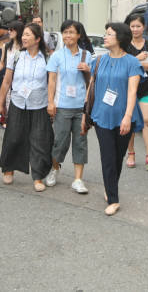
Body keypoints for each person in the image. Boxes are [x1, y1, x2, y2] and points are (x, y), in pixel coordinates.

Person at [82, 23, 143, 216]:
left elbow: (133, 92)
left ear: (120, 38)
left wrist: (127, 116)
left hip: (124, 117)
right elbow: (90, 90)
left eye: (109, 34)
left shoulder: (132, 62)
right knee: (108, 157)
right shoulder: (98, 61)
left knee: (117, 157)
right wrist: (85, 115)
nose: (105, 37)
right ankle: (114, 199)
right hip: (101, 116)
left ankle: (110, 189)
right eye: (105, 33)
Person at [0, 23, 54, 192]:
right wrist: (0, 104)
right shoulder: (15, 56)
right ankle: (8, 169)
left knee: (39, 140)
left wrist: (51, 102)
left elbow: (52, 82)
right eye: (24, 35)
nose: (24, 38)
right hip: (18, 102)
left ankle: (37, 176)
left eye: (28, 35)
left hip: (39, 104)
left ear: (37, 39)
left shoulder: (47, 58)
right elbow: (6, 81)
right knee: (13, 137)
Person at [45, 20, 92, 194]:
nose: (68, 35)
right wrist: (51, 102)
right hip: (62, 106)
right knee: (59, 141)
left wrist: (88, 69)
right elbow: (51, 80)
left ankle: (78, 179)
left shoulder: (87, 56)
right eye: (65, 32)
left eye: (71, 32)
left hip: (81, 106)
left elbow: (92, 81)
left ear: (79, 35)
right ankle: (55, 169)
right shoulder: (56, 56)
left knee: (80, 142)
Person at [124, 13, 148, 171]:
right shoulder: (124, 45)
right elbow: (123, 66)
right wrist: (138, 59)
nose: (135, 29)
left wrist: (136, 64)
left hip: (146, 87)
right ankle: (131, 153)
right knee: (130, 122)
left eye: (138, 26)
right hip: (129, 88)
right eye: (132, 26)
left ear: (143, 27)